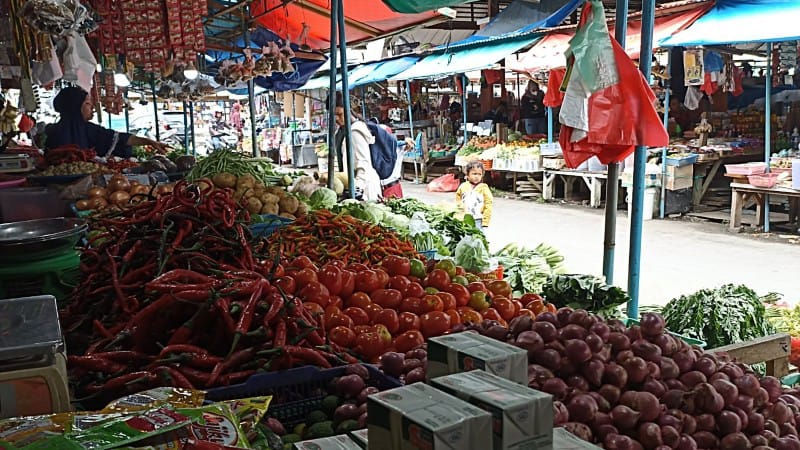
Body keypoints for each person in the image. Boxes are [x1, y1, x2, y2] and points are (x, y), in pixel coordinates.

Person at [45, 86, 168, 156]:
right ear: (76, 106)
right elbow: (119, 138)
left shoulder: (52, 130)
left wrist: (149, 141)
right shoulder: (87, 129)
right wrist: (149, 142)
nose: (92, 108)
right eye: (88, 103)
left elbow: (119, 138)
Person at [334, 97, 381, 202]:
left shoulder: (355, 132)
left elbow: (363, 164)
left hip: (364, 187)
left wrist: (357, 190)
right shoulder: (341, 131)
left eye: (340, 114)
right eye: (334, 115)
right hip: (353, 184)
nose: (337, 118)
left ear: (348, 110)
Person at [456, 161, 493, 230]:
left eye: (479, 174)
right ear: (467, 174)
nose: (477, 176)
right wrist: (458, 215)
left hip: (478, 220)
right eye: (474, 174)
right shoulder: (463, 187)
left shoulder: (484, 188)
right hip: (465, 219)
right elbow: (458, 202)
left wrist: (485, 221)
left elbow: (488, 205)